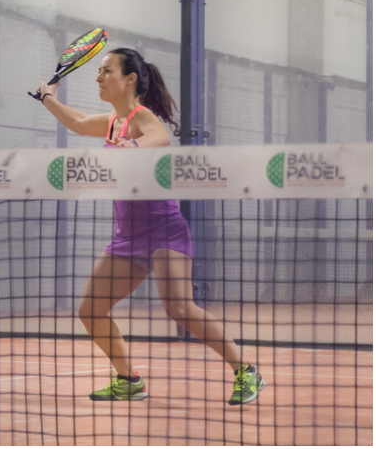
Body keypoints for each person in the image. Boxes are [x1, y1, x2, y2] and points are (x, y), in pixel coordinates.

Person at [36, 48, 264, 405]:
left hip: (163, 231)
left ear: (130, 80)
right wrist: (48, 97)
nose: (99, 78)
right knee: (90, 310)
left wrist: (135, 145)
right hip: (127, 237)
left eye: (106, 71)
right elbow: (78, 122)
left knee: (180, 310)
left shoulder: (141, 117)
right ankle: (129, 380)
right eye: (99, 71)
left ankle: (245, 370)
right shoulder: (112, 121)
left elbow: (160, 136)